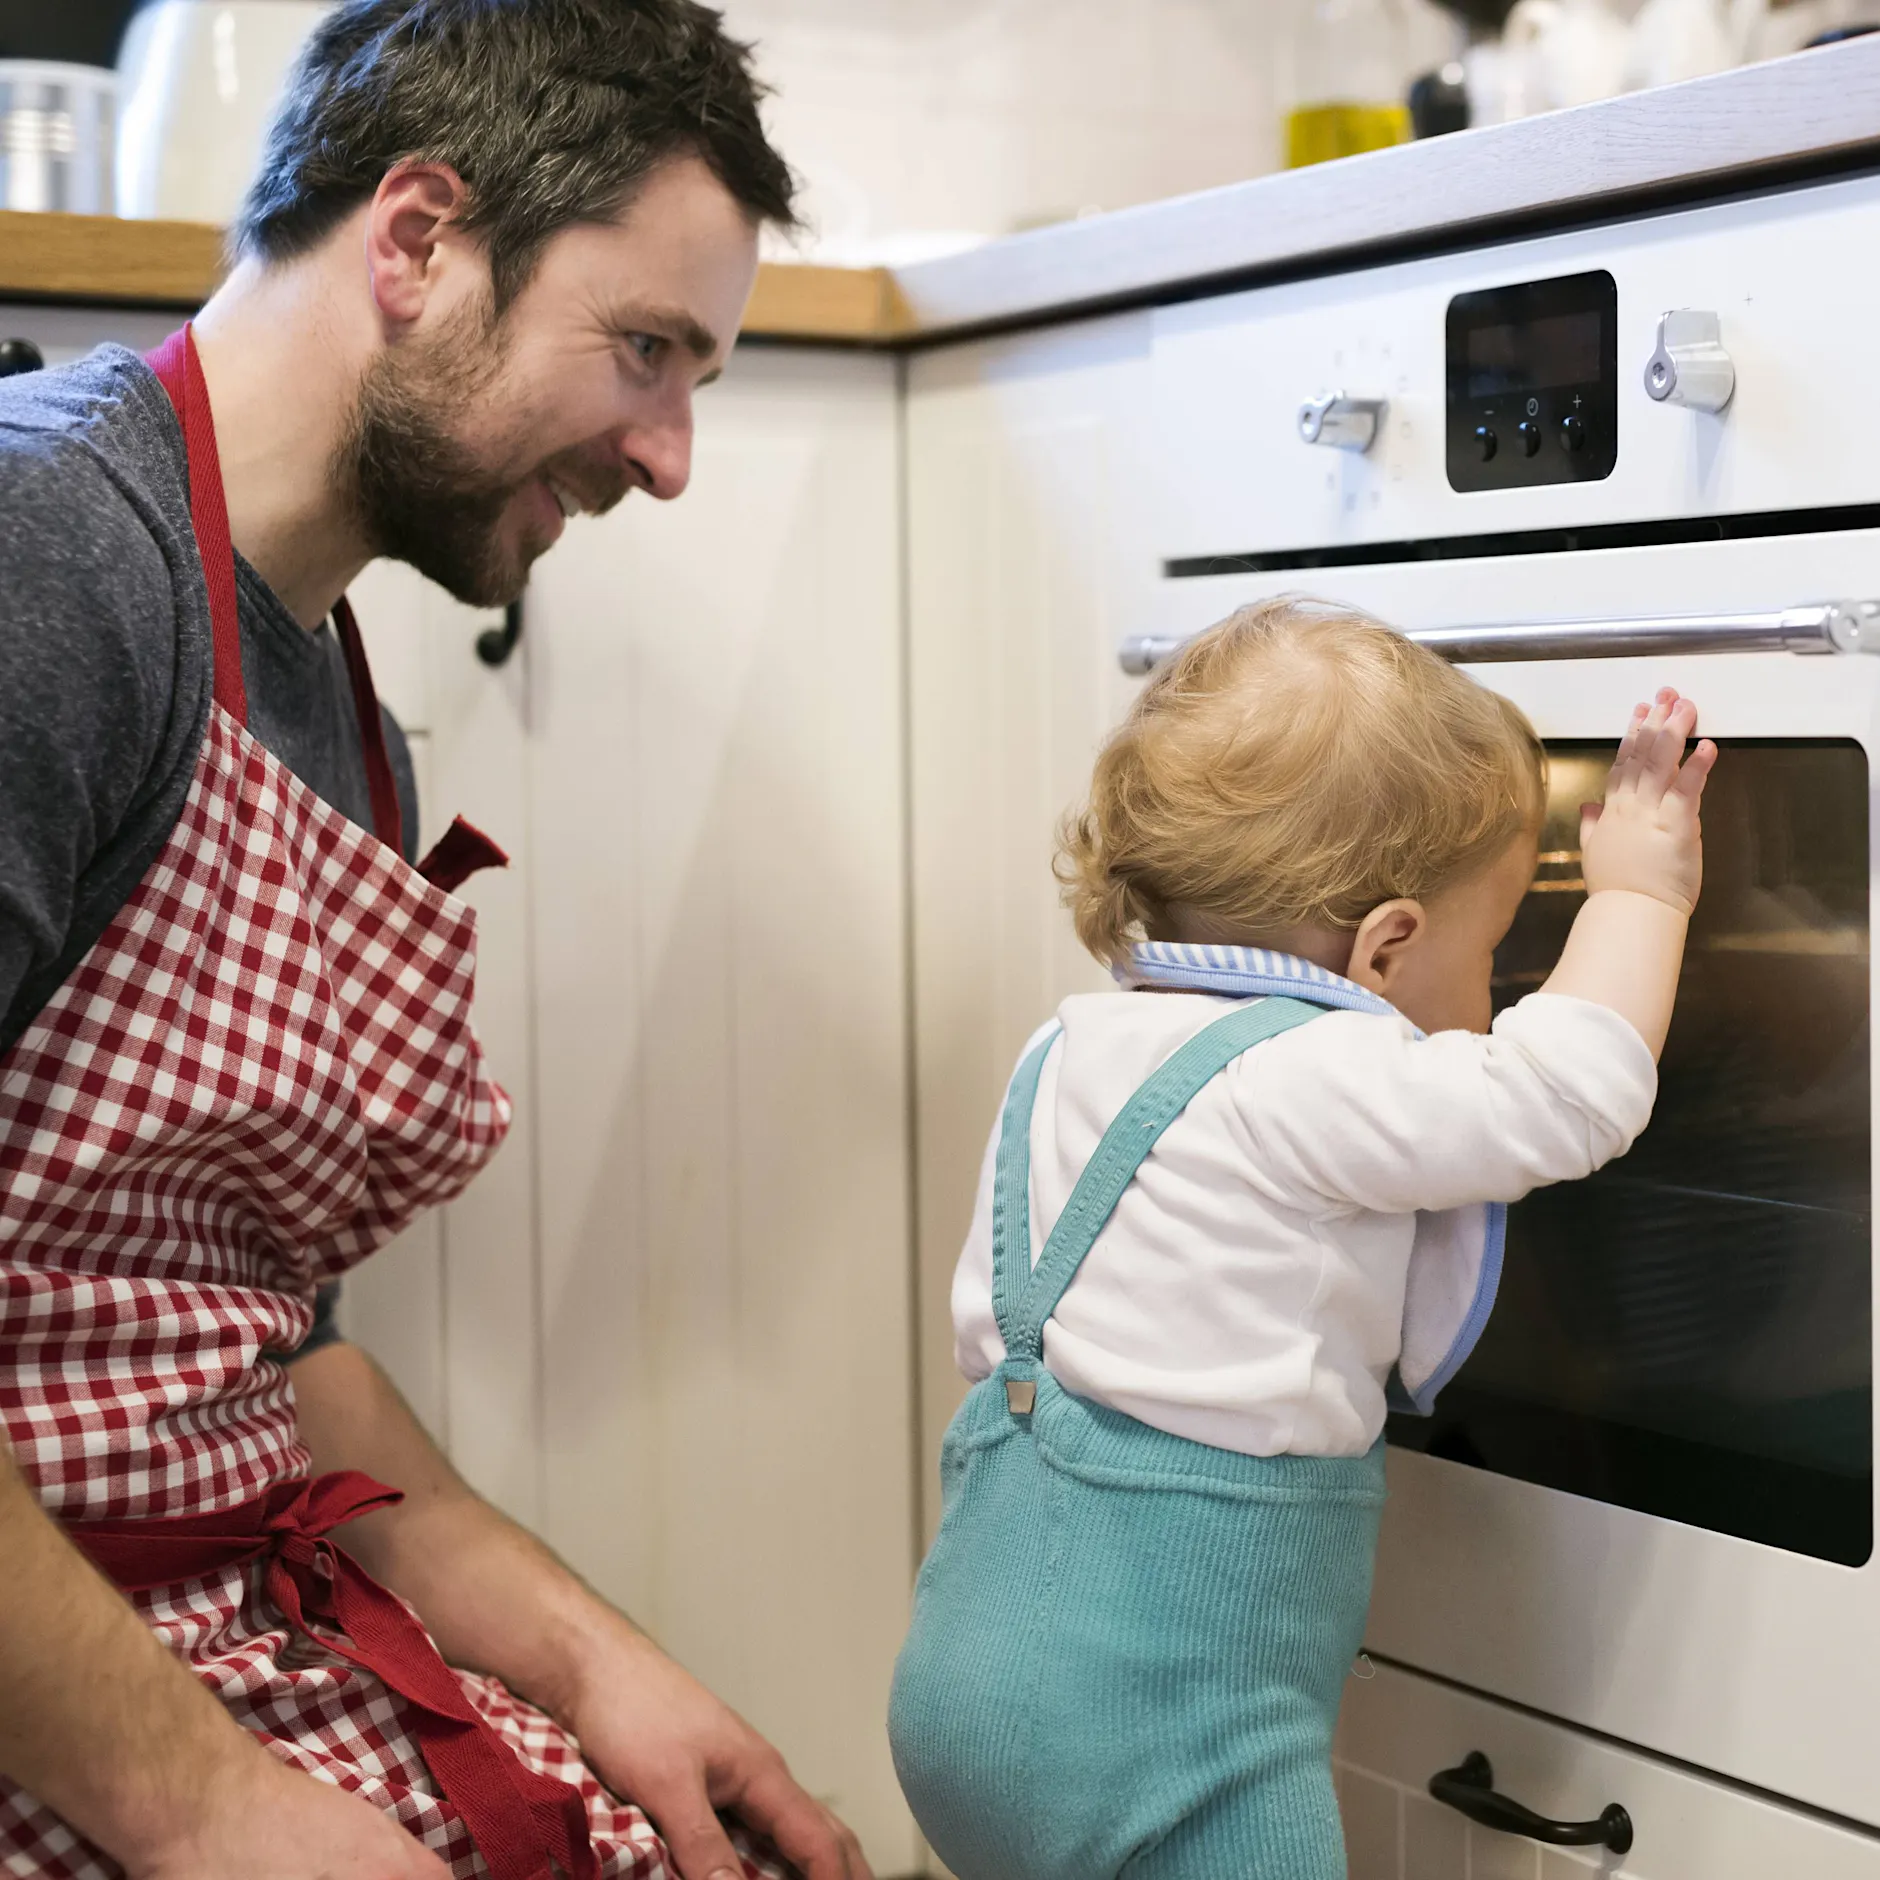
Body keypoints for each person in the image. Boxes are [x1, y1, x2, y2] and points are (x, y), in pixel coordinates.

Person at [0, 3, 872, 1878]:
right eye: (646, 350)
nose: (671, 453)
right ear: (413, 241)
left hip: (200, 1619)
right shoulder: (43, 557)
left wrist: (597, 1661)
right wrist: (212, 1812)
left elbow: (272, 1352)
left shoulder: (336, 706)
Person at [888, 600, 1716, 1880]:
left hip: (961, 1689)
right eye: (1492, 951)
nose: (1495, 993)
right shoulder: (1312, 1069)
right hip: (1170, 1735)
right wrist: (1638, 889)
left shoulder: (1067, 1041)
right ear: (1383, 947)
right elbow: (1565, 1092)